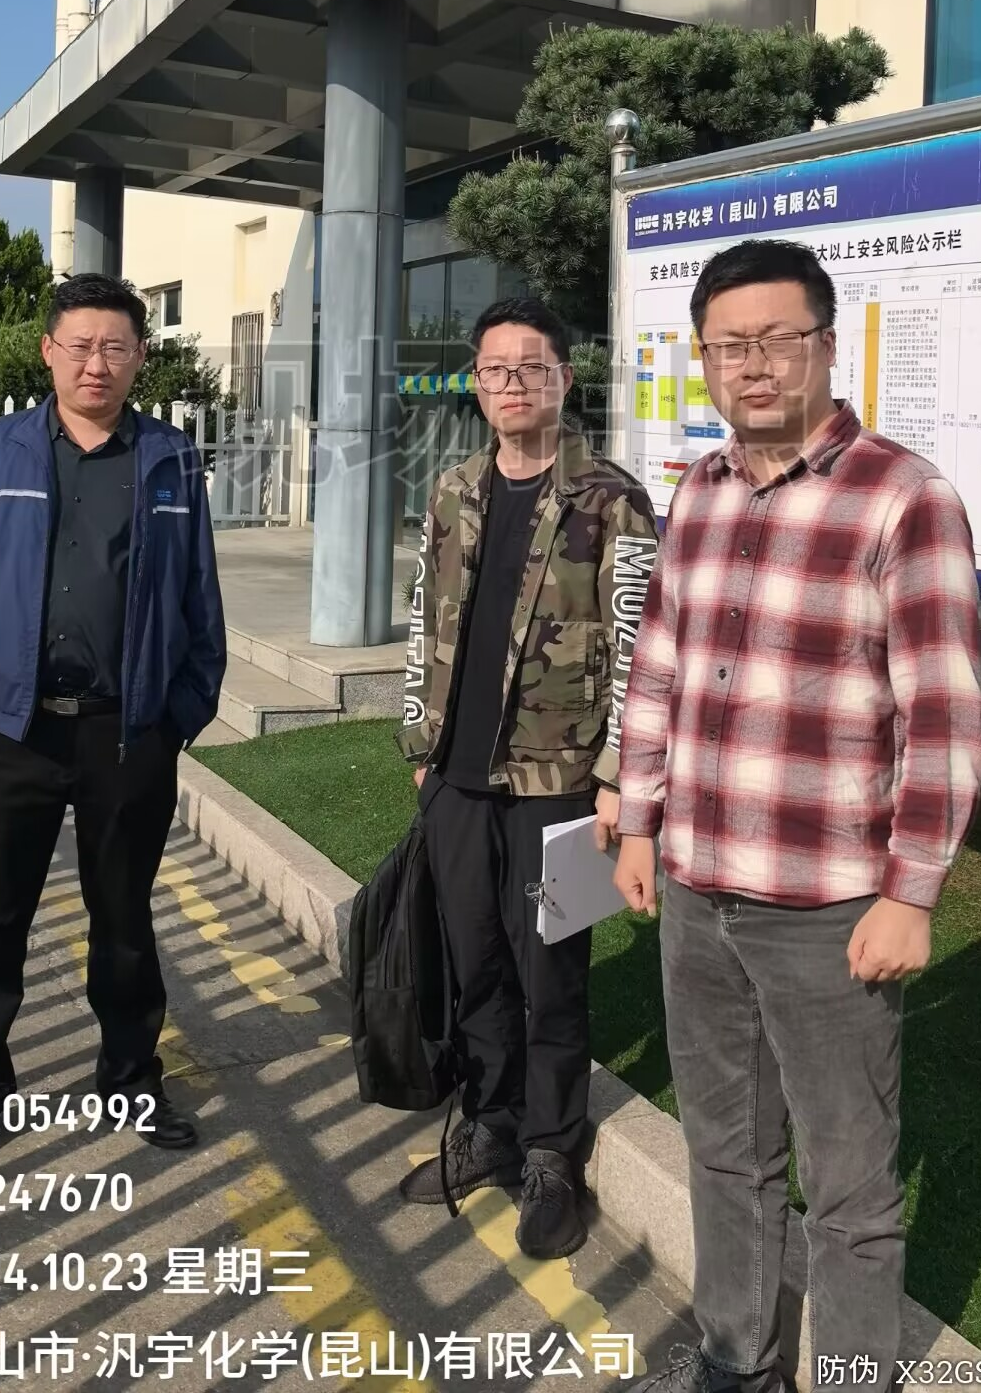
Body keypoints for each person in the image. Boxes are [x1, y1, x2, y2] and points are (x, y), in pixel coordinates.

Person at [614, 239, 981, 1393]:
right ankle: (737, 1355)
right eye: (729, 345)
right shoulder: (699, 491)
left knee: (850, 1183)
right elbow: (659, 668)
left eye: (779, 339)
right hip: (697, 889)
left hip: (827, 909)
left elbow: (943, 715)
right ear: (704, 360)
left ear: (828, 345)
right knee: (723, 1152)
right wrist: (640, 822)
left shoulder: (904, 497)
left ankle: (857, 1375)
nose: (754, 364)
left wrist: (911, 892)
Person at [0, 273, 227, 1181]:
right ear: (49, 351)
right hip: (6, 730)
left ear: (140, 357)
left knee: (124, 921)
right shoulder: (0, 449)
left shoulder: (170, 457)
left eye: (116, 346)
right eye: (81, 345)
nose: (98, 363)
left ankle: (130, 1079)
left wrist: (180, 713)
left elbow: (199, 594)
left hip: (125, 733)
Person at [398, 296, 658, 1259]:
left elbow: (640, 648)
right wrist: (419, 746)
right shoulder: (453, 489)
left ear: (563, 379)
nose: (511, 384)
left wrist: (619, 777)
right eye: (495, 369)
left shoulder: (612, 500)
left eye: (530, 368)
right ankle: (492, 1127)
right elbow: (424, 615)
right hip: (456, 781)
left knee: (552, 976)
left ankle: (552, 1151)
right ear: (476, 383)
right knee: (476, 965)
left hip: (561, 782)